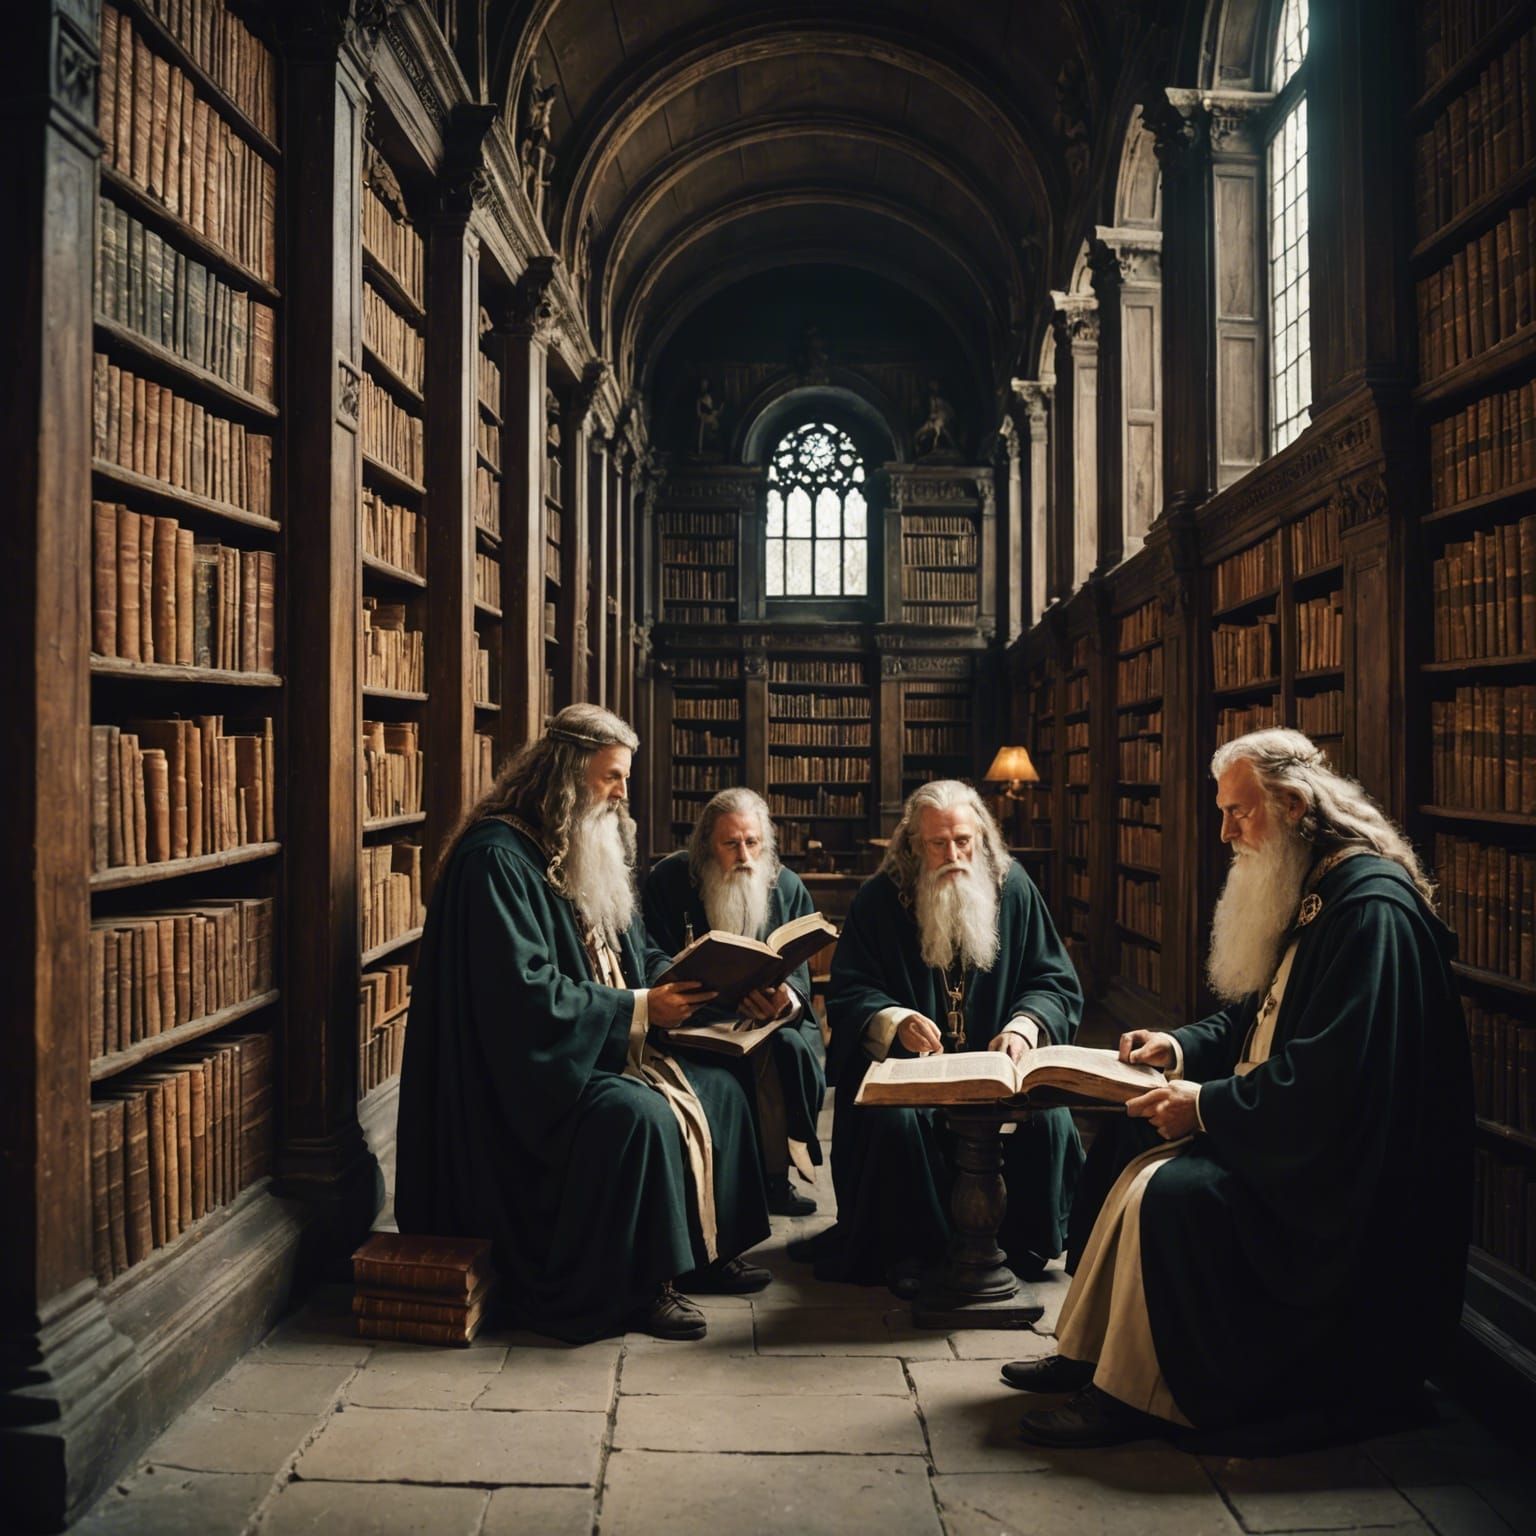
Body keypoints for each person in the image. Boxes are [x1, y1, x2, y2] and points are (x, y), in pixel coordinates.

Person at [1005, 730, 1474, 1447]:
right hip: (1287, 1123)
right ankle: (1089, 1355)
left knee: (1166, 1194)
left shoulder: (1369, 908)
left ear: (1292, 806)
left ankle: (1132, 1396)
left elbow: (1336, 1079)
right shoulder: (1313, 885)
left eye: (1239, 812)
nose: (1225, 832)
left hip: (1344, 1177)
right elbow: (1264, 1014)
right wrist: (1182, 1047)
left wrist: (1205, 1104)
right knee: (1135, 1144)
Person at [395, 704, 773, 1345]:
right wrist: (638, 1009)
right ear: (567, 776)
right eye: (612, 778)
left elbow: (629, 953)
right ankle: (638, 1286)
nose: (624, 793)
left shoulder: (582, 844)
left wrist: (688, 980)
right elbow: (519, 998)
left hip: (598, 1040)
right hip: (526, 1075)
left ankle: (703, 1252)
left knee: (722, 1087)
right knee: (638, 1117)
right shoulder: (497, 860)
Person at [812, 779, 1084, 1289]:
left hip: (998, 1073)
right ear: (913, 845)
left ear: (982, 837)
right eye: (938, 843)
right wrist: (894, 1020)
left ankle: (1020, 1240)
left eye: (964, 841)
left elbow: (1053, 980)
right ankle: (910, 1251)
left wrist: (1023, 1028)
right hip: (910, 1078)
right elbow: (849, 993)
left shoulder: (1013, 888)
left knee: (1048, 1121)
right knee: (893, 1127)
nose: (953, 854)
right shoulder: (880, 899)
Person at [642, 788, 827, 1217]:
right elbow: (648, 950)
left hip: (765, 1021)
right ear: (707, 846)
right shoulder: (670, 879)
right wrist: (666, 981)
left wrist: (787, 1001)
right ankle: (721, 1185)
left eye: (752, 842)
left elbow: (799, 969)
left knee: (787, 1049)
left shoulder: (786, 885)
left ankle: (775, 1180)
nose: (744, 855)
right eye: (730, 844)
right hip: (694, 1015)